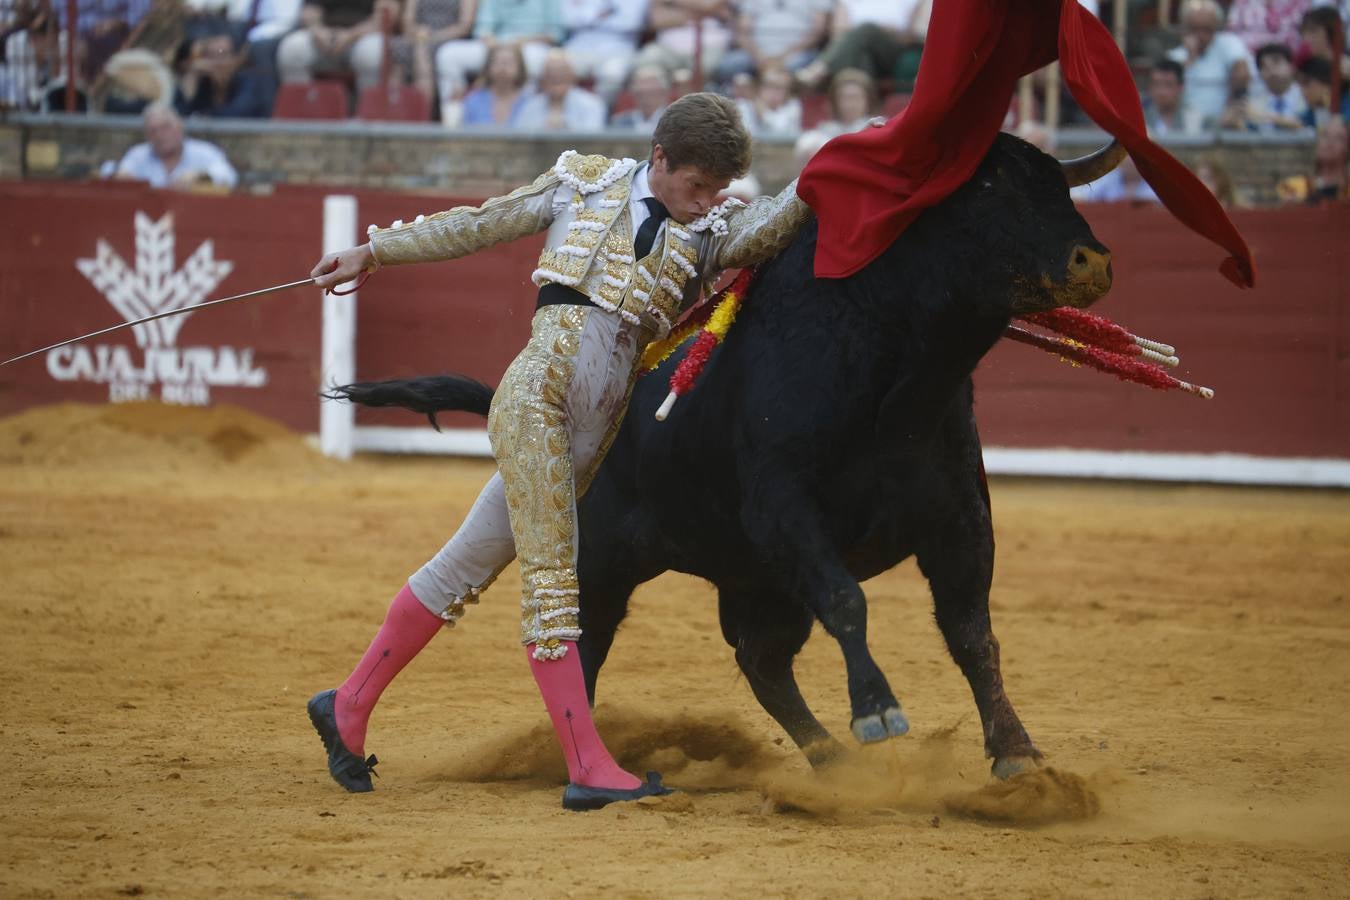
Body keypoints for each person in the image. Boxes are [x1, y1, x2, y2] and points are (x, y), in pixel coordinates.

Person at [305, 92, 815, 809]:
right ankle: (587, 766)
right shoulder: (583, 181)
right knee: (553, 583)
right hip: (536, 401)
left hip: (588, 437)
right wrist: (373, 250)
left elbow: (772, 224)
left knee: (462, 567)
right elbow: (478, 225)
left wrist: (828, 171)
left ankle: (348, 704)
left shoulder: (711, 233)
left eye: (716, 193)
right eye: (697, 187)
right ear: (660, 159)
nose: (705, 204)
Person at [276, 0, 396, 96]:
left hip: (364, 35)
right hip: (325, 36)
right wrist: (318, 31)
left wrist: (350, 36)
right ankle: (302, 117)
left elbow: (386, 14)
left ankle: (369, 119)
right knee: (292, 49)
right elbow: (310, 9)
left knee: (372, 54)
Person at [1166, 0, 1256, 128]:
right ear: (1185, 29)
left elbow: (1242, 74)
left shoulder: (1229, 43)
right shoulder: (1175, 57)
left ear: (1216, 27)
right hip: (1187, 126)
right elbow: (1167, 92)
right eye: (1194, 28)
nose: (1200, 35)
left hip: (1225, 123)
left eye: (1206, 29)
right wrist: (1190, 59)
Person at [114, 102, 239, 189]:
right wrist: (119, 177)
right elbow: (116, 173)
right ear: (146, 136)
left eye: (165, 127)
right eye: (153, 131)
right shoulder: (138, 155)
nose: (160, 135)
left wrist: (201, 176)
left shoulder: (204, 151)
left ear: (180, 127)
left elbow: (229, 176)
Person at [713, 0, 830, 85]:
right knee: (726, 67)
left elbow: (818, 31)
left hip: (797, 54)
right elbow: (743, 31)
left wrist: (784, 57)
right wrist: (758, 57)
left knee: (801, 67)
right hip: (757, 55)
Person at [510, 47, 606, 130]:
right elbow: (521, 139)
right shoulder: (530, 106)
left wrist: (564, 127)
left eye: (562, 73)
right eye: (551, 74)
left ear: (573, 76)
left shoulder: (591, 104)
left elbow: (593, 141)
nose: (556, 77)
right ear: (543, 79)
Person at [460, 41, 529, 124]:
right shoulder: (473, 100)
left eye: (509, 62)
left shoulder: (530, 103)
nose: (503, 67)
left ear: (520, 68)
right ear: (488, 67)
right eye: (497, 62)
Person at [735, 63, 803, 135]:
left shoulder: (792, 106)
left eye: (780, 88)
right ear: (758, 86)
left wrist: (763, 113)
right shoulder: (743, 105)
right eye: (770, 85)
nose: (774, 92)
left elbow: (782, 135)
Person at [1143, 57, 1203, 134]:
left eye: (1168, 85)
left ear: (1180, 88)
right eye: (1156, 84)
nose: (1161, 92)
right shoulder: (1140, 119)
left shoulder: (1195, 121)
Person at [608, 63, 670, 131]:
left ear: (663, 93)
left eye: (651, 93)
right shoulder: (619, 122)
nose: (646, 100)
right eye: (640, 94)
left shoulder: (673, 121)